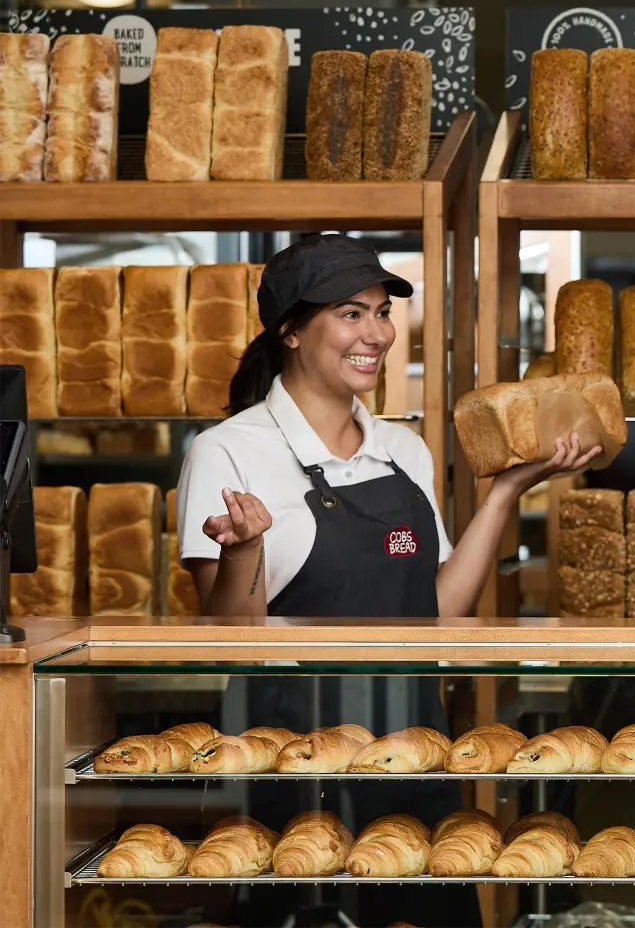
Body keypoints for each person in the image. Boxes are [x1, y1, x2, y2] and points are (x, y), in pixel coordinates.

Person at [175, 234, 596, 927]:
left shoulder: (403, 448)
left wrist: (503, 495)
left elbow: (435, 608)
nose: (376, 333)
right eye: (350, 313)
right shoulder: (228, 451)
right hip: (288, 763)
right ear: (289, 332)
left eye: (381, 311)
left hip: (411, 747)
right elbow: (231, 640)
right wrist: (245, 551)